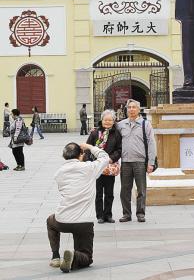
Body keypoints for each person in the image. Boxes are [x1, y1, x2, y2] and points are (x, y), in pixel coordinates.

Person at [46, 142, 109, 273]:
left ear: (64, 156)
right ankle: (75, 255)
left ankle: (55, 256)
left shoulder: (58, 173)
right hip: (83, 223)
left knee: (50, 221)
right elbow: (104, 157)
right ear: (81, 155)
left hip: (62, 220)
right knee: (87, 258)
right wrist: (90, 147)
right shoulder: (89, 168)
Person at [118, 99, 156, 223]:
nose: (131, 109)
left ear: (139, 110)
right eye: (129, 107)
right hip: (125, 162)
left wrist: (151, 162)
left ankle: (140, 213)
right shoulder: (121, 125)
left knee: (141, 190)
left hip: (140, 162)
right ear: (127, 109)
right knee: (125, 190)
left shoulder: (145, 124)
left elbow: (151, 143)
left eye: (134, 107)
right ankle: (126, 214)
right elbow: (112, 138)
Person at [85, 109, 122, 224]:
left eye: (110, 120)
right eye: (105, 120)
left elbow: (119, 149)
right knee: (99, 193)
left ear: (113, 121)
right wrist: (89, 162)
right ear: (101, 120)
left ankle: (108, 215)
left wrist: (111, 158)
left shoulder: (116, 133)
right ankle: (100, 216)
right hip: (97, 167)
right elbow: (87, 148)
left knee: (110, 193)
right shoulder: (95, 133)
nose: (107, 122)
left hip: (109, 166)